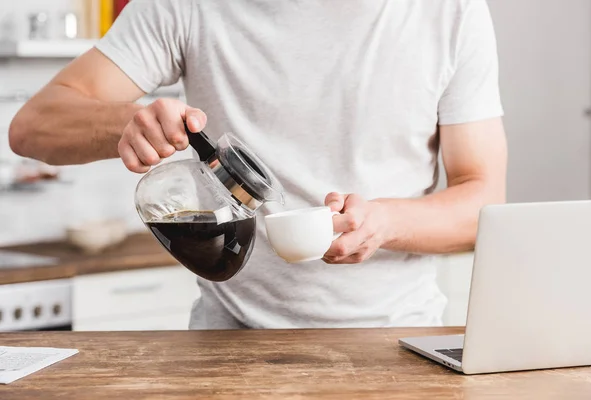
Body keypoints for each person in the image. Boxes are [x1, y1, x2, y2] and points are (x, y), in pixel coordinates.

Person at [9, 0, 507, 329]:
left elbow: (482, 199)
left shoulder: (450, 12)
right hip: (229, 349)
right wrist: (127, 123)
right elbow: (31, 127)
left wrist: (385, 223)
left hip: (396, 342)